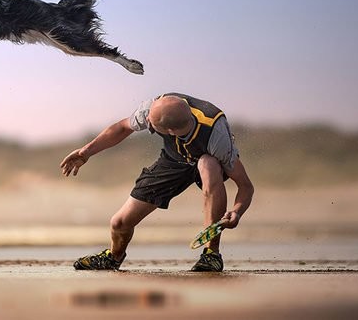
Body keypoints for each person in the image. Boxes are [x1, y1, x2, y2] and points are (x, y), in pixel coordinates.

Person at [60, 92, 254, 272]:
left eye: (151, 126)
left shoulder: (216, 136)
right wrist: (86, 152)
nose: (148, 126)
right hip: (173, 161)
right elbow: (121, 128)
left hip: (207, 160)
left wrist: (236, 212)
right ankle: (113, 257)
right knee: (119, 223)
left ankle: (212, 255)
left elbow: (245, 186)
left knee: (208, 164)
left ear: (170, 131)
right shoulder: (153, 108)